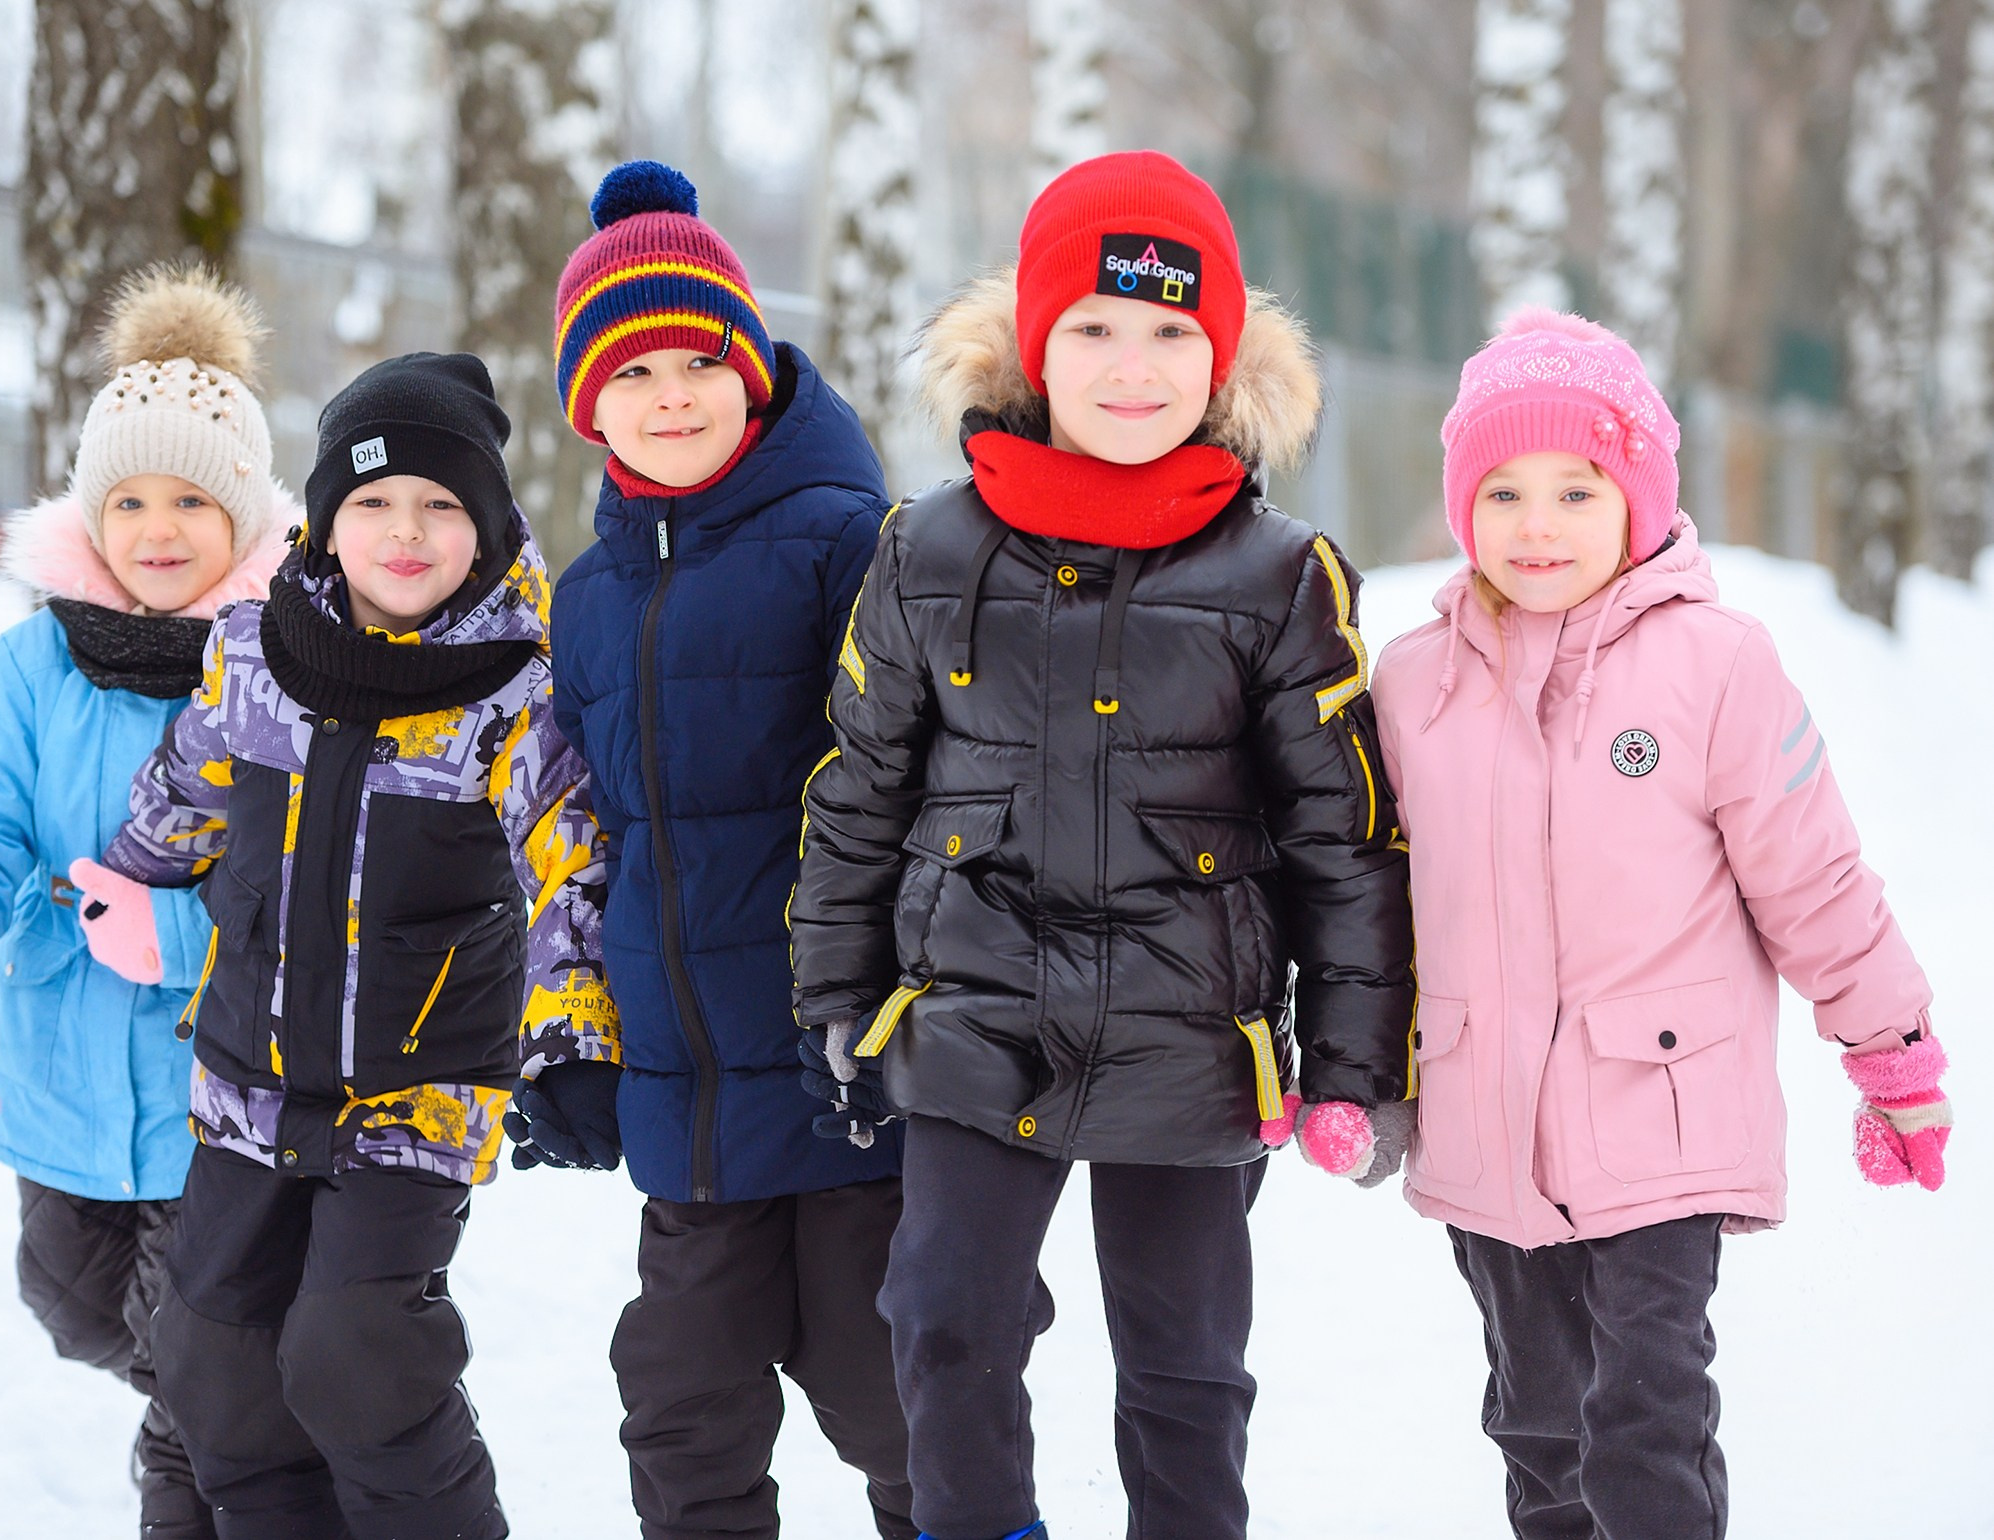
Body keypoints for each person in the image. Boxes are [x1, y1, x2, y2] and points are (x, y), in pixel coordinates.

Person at [789, 149, 1417, 1540]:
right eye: (1090, 329)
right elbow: (858, 788)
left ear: (1220, 356)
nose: (1129, 369)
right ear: (1030, 344)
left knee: (1183, 1371)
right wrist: (834, 996)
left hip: (1192, 1039)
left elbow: (1344, 838)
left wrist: (1359, 1068)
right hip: (974, 1019)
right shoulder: (923, 553)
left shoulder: (1276, 578)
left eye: (1167, 334)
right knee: (942, 1327)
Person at [1370, 307, 1951, 1540]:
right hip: (1487, 1123)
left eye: (1577, 491)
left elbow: (1811, 879)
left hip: (1662, 1116)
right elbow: (1370, 902)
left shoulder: (1714, 666)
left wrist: (1888, 1045)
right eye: (1505, 491)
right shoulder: (1413, 683)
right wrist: (1350, 1070)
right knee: (1536, 1426)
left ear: (1637, 496)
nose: (1537, 525)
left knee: (1642, 1418)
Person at [94, 351, 612, 1538]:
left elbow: (569, 865)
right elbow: (190, 780)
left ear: (484, 529)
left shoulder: (513, 696)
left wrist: (573, 1039)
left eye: (441, 505)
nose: (406, 531)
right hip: (246, 1081)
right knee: (209, 1355)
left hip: (414, 1097)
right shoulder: (253, 652)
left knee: (356, 1352)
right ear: (328, 524)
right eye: (373, 503)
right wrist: (130, 871)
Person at [512, 159, 914, 1540]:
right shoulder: (586, 595)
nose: (669, 394)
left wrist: (894, 1008)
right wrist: (568, 1038)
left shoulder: (842, 541)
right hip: (683, 1102)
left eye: (697, 358)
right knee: (679, 1406)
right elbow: (572, 838)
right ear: (586, 407)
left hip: (842, 1084)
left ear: (750, 365)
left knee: (891, 1399)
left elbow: (914, 785)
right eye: (630, 374)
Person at [0, 264, 291, 1538]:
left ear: (243, 519)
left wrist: (174, 932)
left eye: (190, 499)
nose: (158, 527)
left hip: (211, 1091)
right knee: (69, 1308)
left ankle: (223, 1460)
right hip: (58, 1068)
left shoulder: (278, 668)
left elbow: (304, 869)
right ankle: (238, 1408)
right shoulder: (35, 659)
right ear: (89, 512)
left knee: (193, 1357)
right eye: (129, 498)